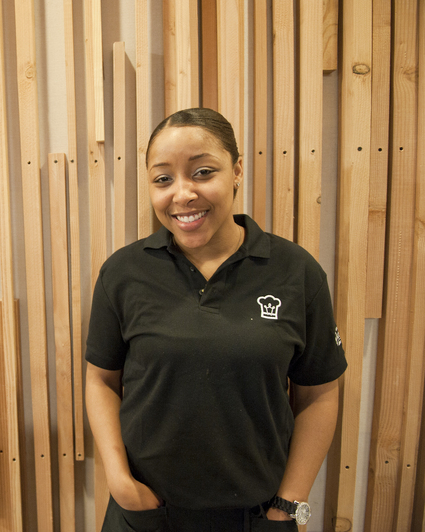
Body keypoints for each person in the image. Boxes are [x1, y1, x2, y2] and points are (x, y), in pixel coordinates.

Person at [85, 107, 346, 531]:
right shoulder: (124, 273)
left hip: (256, 517)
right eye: (163, 179)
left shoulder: (296, 272)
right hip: (145, 515)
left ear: (237, 171)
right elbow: (101, 380)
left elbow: (318, 394)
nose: (182, 194)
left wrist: (288, 505)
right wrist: (119, 482)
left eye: (203, 172)